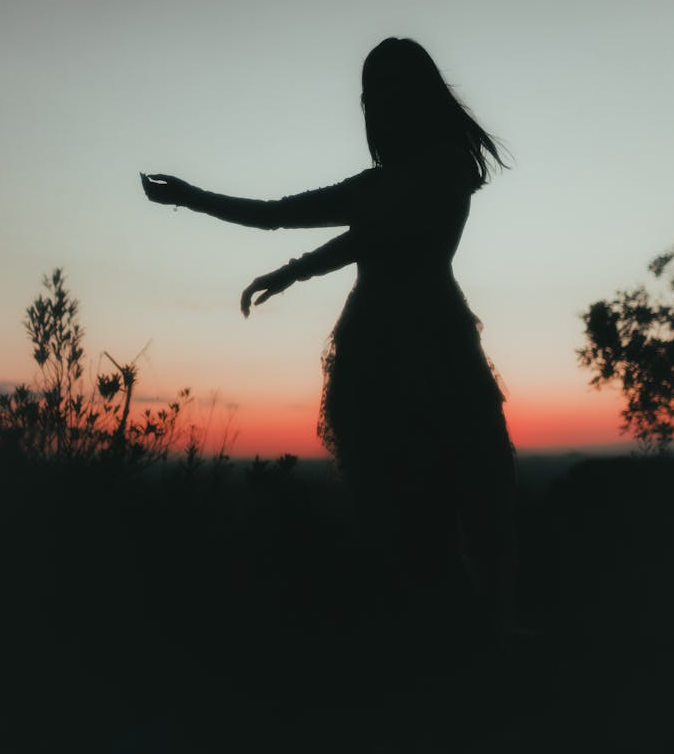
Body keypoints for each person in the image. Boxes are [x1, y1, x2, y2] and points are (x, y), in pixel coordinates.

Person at [141, 37, 517, 638]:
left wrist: (292, 271)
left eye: (398, 84)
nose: (385, 99)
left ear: (423, 93)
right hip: (373, 356)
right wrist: (189, 197)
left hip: (440, 346)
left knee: (479, 489)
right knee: (401, 511)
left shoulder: (447, 165)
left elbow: (382, 236)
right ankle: (437, 639)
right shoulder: (372, 185)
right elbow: (273, 212)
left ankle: (488, 633)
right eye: (375, 89)